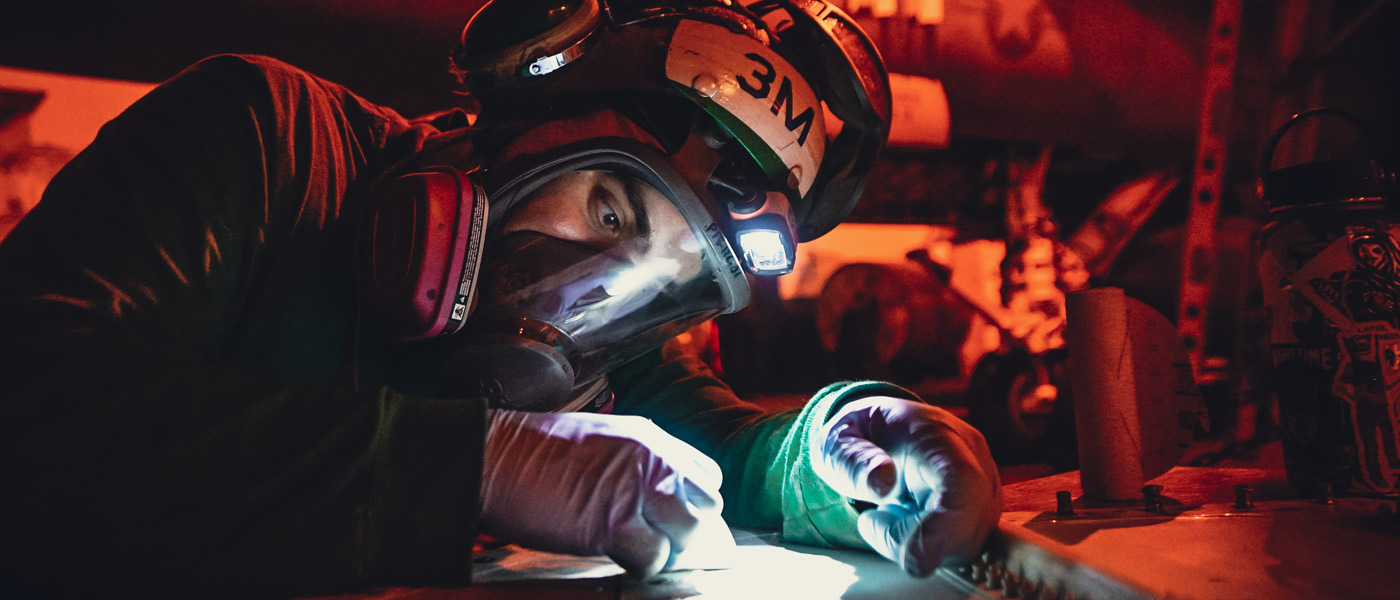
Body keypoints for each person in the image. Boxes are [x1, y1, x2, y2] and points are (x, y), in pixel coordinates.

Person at [0, 0, 1002, 596]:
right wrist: (472, 464)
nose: (599, 294)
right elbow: (33, 411)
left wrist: (831, 455)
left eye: (668, 275)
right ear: (528, 109)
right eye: (609, 208)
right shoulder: (266, 137)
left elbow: (716, 452)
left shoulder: (611, 356)